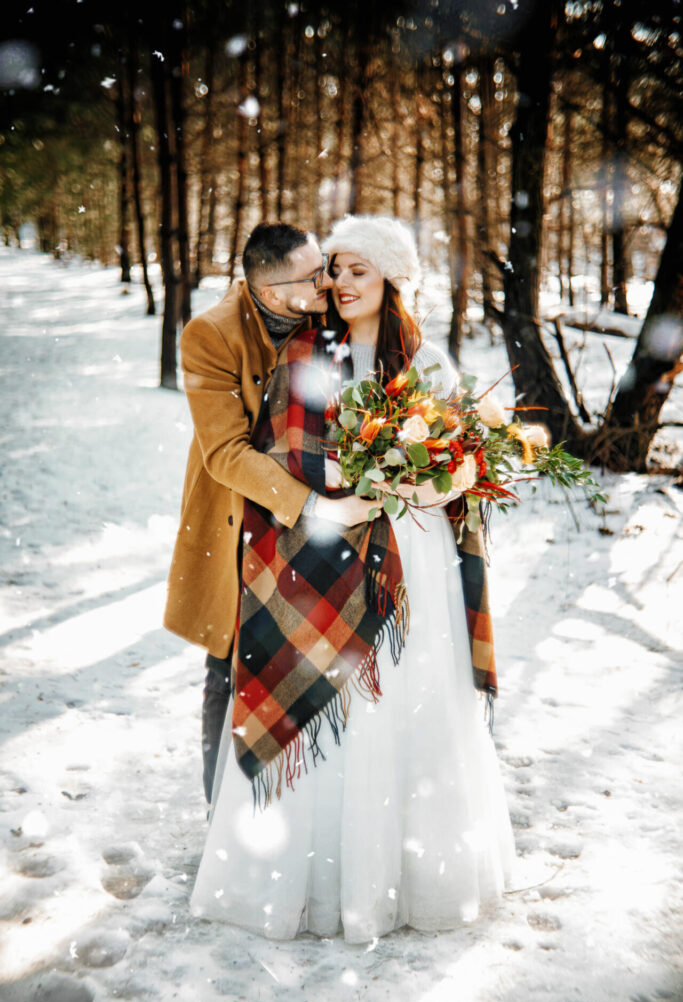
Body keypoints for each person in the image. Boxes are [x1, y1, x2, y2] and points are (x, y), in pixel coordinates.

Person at [189, 215, 516, 943]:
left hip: (415, 556)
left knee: (411, 697)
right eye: (332, 269)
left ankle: (411, 872)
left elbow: (465, 457)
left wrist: (431, 479)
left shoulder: (426, 359)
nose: (338, 282)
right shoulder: (306, 353)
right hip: (326, 546)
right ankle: (314, 875)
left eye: (355, 269)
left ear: (391, 280)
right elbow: (280, 449)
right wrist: (342, 488)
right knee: (326, 691)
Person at [164, 222, 379, 804]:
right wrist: (315, 507)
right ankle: (222, 810)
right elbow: (226, 454)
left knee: (311, 658)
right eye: (315, 276)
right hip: (237, 517)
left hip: (319, 525)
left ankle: (305, 807)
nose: (328, 280)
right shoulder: (210, 335)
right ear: (273, 292)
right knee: (231, 663)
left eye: (325, 265)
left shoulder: (324, 316)